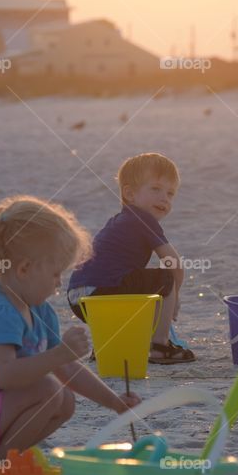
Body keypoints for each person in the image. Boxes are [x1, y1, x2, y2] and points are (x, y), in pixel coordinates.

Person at [0, 195, 141, 460]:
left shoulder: (40, 310)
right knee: (47, 389)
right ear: (25, 268)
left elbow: (67, 369)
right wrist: (60, 354)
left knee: (65, 401)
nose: (59, 284)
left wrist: (115, 403)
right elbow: (6, 375)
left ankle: (1, 459)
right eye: (55, 273)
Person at [67, 152, 195, 364]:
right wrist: (174, 298)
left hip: (78, 298)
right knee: (165, 279)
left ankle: (109, 344)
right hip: (103, 293)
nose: (164, 198)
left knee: (142, 291)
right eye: (155, 189)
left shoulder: (119, 221)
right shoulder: (143, 219)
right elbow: (174, 264)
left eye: (170, 193)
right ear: (130, 194)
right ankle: (160, 346)